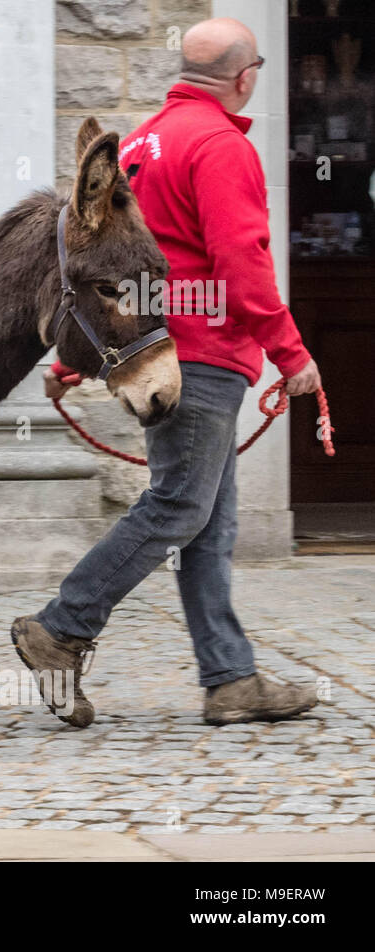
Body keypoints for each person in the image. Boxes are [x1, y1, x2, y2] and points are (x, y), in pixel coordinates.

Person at [22, 17, 323, 728]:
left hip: (157, 347)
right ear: (245, 76)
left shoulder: (142, 145)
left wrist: (78, 360)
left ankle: (230, 679)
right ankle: (61, 627)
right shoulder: (220, 145)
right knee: (181, 507)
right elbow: (243, 268)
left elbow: (103, 265)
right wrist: (292, 354)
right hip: (202, 355)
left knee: (209, 523)